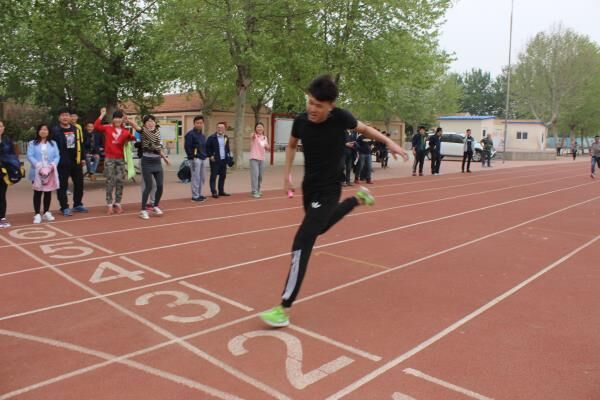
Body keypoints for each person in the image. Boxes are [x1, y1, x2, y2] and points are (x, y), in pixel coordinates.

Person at [259, 75, 409, 327]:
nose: (312, 109)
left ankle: (284, 307)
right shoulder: (301, 121)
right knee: (321, 227)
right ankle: (358, 199)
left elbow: (365, 129)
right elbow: (292, 145)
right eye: (310, 102)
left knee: (302, 241)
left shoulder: (341, 118)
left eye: (318, 105)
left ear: (331, 106)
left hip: (329, 189)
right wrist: (286, 175)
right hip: (309, 187)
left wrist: (390, 142)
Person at [94, 108, 136, 214]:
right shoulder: (107, 128)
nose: (117, 120)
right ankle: (109, 204)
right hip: (109, 159)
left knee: (120, 181)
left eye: (119, 118)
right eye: (116, 118)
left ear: (122, 119)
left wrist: (129, 125)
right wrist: (102, 114)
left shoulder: (125, 132)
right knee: (110, 181)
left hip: (120, 159)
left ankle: (117, 203)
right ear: (113, 119)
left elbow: (133, 138)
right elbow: (96, 126)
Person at [128, 114, 170, 219]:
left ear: (155, 122)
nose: (150, 123)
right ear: (145, 124)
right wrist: (129, 121)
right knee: (149, 186)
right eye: (148, 121)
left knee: (160, 185)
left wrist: (164, 158)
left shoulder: (158, 132)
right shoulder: (144, 131)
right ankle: (143, 210)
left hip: (157, 161)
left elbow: (158, 148)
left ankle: (155, 205)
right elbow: (136, 127)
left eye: (152, 121)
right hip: (146, 161)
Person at [51, 107, 87, 216]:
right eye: (62, 115)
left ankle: (77, 204)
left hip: (76, 161)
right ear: (59, 118)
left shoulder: (76, 129)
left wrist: (82, 158)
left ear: (70, 117)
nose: (65, 117)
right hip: (62, 162)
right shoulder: (54, 131)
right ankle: (64, 207)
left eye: (67, 115)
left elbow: (81, 144)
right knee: (62, 185)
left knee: (79, 184)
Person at [27, 124, 60, 224]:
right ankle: (37, 214)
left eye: (45, 129)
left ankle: (46, 212)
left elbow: (57, 156)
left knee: (48, 192)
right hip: (37, 171)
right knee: (37, 192)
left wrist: (51, 166)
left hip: (49, 172)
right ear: (38, 131)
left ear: (49, 132)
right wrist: (38, 165)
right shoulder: (32, 143)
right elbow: (30, 155)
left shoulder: (53, 143)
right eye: (41, 129)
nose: (43, 131)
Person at [206, 122, 233, 198]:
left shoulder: (226, 137)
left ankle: (221, 191)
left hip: (223, 160)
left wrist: (229, 157)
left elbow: (227, 148)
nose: (220, 129)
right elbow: (207, 148)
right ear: (216, 128)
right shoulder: (211, 137)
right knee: (213, 176)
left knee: (223, 176)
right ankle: (214, 192)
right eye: (219, 127)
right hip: (215, 160)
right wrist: (210, 156)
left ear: (224, 129)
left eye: (222, 127)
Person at [184, 115, 208, 202]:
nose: (199, 124)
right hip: (195, 159)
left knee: (202, 177)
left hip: (203, 158)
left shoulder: (202, 135)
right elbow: (187, 147)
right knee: (195, 177)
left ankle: (199, 194)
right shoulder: (190, 134)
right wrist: (192, 157)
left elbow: (204, 147)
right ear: (194, 123)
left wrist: (205, 155)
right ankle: (195, 196)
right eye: (197, 123)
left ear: (203, 124)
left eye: (201, 123)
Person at [0, 120, 18, 228]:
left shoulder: (7, 140)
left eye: (1, 126)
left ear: (3, 128)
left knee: (2, 195)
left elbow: (12, 155)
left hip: (4, 172)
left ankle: (2, 217)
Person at [249, 122, 270, 198]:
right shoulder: (254, 136)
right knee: (255, 175)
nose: (259, 128)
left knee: (260, 176)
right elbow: (252, 136)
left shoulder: (265, 137)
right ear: (255, 128)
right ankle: (254, 191)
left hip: (262, 159)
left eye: (261, 127)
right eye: (258, 127)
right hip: (254, 158)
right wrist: (253, 135)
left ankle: (258, 189)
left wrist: (267, 146)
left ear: (263, 128)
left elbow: (267, 147)